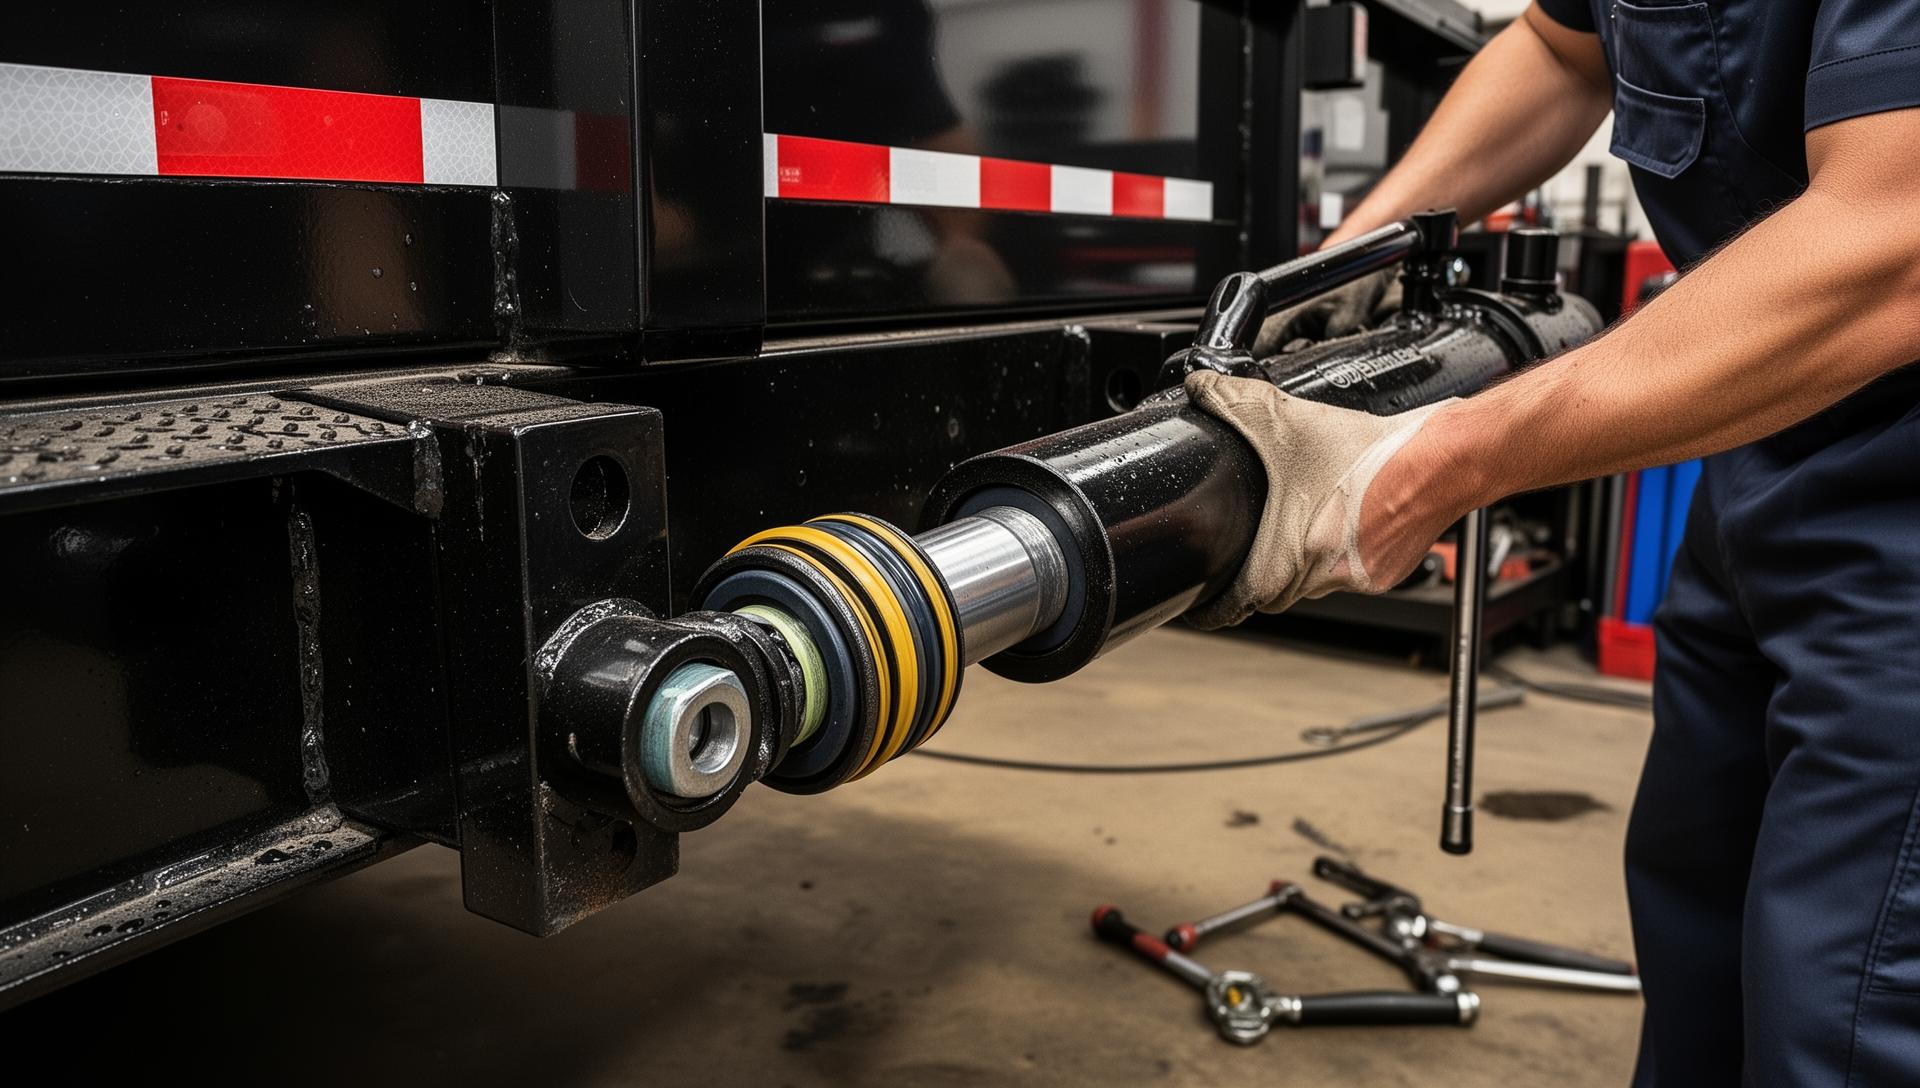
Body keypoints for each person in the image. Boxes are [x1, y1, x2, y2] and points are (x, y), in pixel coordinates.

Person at [1182, 3, 1920, 1083]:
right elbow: (1559, 50)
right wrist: (1350, 260)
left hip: (1900, 498)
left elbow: (1893, 241)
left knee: (1844, 1008)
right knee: (1698, 939)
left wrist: (1427, 466)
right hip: (1768, 462)